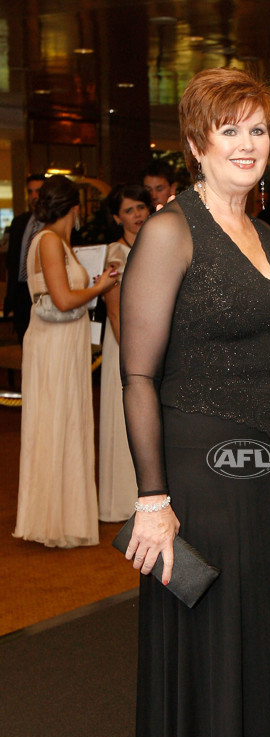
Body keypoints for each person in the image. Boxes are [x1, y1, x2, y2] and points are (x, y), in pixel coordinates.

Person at [119, 68, 270, 737]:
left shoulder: (266, 231)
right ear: (198, 143)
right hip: (202, 471)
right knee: (213, 642)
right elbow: (137, 373)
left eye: (258, 131)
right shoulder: (173, 230)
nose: (245, 145)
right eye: (228, 130)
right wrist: (153, 500)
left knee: (263, 634)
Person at [13, 175, 119, 547]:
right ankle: (51, 520)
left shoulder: (56, 242)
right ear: (74, 208)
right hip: (54, 346)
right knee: (57, 424)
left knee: (63, 424)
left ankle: (58, 515)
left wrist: (91, 285)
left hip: (62, 344)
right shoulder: (49, 242)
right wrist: (101, 287)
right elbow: (62, 299)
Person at [98, 184, 151, 522]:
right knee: (126, 416)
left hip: (152, 340)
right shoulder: (116, 253)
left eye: (141, 208)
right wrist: (127, 354)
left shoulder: (154, 242)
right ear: (117, 217)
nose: (136, 216)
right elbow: (114, 309)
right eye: (129, 210)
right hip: (125, 343)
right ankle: (123, 500)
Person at [4, 173, 46, 342]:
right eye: (30, 192)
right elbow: (12, 260)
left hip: (44, 293)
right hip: (21, 293)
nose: (34, 197)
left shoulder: (55, 224)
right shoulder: (20, 222)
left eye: (38, 191)